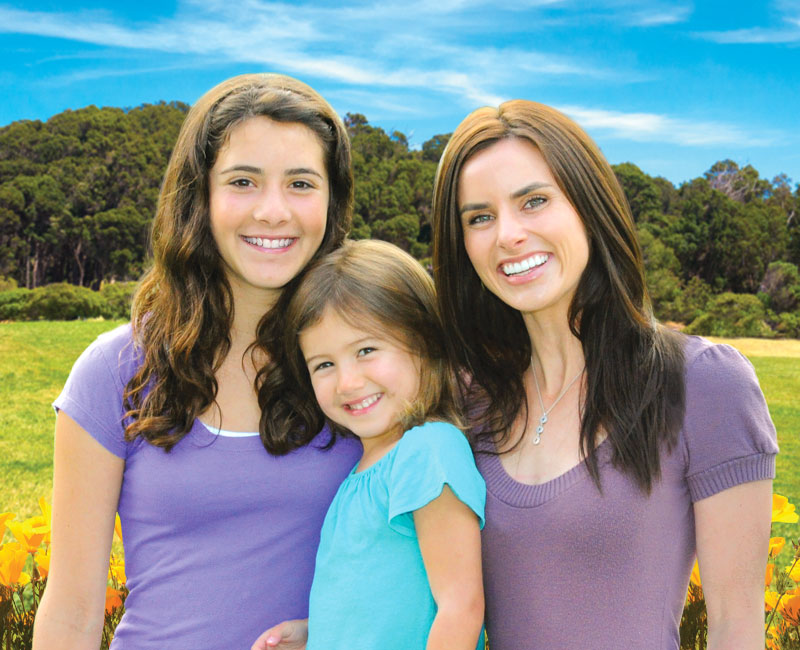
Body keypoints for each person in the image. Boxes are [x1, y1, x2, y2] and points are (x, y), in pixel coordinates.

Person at [32, 73, 363, 650]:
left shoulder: (368, 368)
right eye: (242, 181)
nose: (272, 211)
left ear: (332, 201)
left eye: (301, 184)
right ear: (199, 197)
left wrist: (343, 631)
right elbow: (72, 614)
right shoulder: (115, 370)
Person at [431, 100, 778, 649]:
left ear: (590, 208)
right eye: (479, 217)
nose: (508, 234)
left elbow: (737, 629)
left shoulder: (703, 385)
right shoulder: (467, 406)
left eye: (535, 201)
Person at [251, 239, 486, 650]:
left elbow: (460, 607)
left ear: (424, 343)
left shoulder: (427, 450)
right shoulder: (362, 470)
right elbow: (378, 604)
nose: (347, 382)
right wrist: (314, 634)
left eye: (366, 350)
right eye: (324, 364)